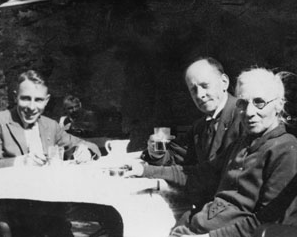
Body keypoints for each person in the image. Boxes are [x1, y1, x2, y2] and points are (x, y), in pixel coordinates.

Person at [126, 68, 297, 237]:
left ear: (278, 105)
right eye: (243, 103)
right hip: (198, 225)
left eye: (259, 102)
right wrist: (145, 171)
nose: (250, 112)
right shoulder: (242, 144)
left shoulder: (285, 149)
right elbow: (199, 175)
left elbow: (268, 221)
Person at [0, 70, 101, 237]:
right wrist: (22, 161)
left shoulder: (51, 126)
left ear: (46, 101)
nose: (31, 107)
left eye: (38, 100)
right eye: (25, 98)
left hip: (53, 210)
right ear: (15, 97)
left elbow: (88, 145)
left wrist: (85, 151)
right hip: (14, 213)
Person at [143, 57, 244, 208]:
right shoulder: (199, 127)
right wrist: (156, 150)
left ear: (224, 82)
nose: (199, 95)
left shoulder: (245, 116)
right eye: (193, 90)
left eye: (205, 86)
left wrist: (144, 170)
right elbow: (177, 161)